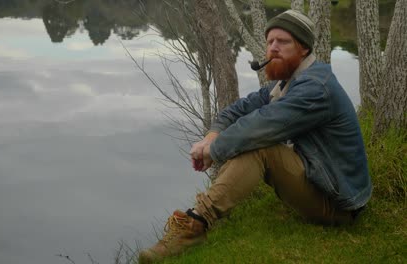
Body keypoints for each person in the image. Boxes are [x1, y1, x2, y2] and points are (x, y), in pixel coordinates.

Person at [138, 10, 372, 263]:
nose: (273, 48)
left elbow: (260, 125)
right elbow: (241, 108)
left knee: (260, 147)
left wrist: (212, 151)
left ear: (304, 48)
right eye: (270, 42)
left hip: (338, 203)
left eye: (282, 42)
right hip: (323, 182)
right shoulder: (288, 80)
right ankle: (196, 221)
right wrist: (211, 136)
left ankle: (195, 225)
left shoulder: (316, 88)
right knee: (255, 141)